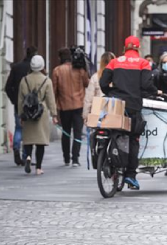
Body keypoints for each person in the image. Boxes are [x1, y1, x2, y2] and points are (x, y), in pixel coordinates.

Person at [100, 35, 159, 190]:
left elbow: (103, 83)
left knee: (114, 131)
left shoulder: (114, 62)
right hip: (133, 106)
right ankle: (130, 175)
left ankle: (109, 162)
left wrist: (112, 92)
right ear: (138, 48)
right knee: (133, 139)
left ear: (125, 48)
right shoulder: (143, 63)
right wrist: (156, 92)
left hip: (116, 105)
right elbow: (146, 84)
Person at [18, 55, 58, 175]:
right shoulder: (47, 80)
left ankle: (28, 156)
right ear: (42, 66)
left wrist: (21, 115)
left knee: (28, 139)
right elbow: (51, 99)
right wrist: (54, 114)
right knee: (40, 141)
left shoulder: (24, 80)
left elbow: (20, 99)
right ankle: (39, 168)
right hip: (41, 113)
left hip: (28, 112)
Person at [52, 47, 90, 167]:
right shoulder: (79, 70)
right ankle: (75, 159)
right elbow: (87, 83)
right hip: (79, 105)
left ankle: (66, 158)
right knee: (78, 132)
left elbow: (54, 90)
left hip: (64, 106)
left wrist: (54, 109)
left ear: (60, 58)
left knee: (66, 132)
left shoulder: (57, 71)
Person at [5, 46, 38, 166]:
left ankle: (16, 150)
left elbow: (8, 87)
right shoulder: (35, 70)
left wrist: (14, 100)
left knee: (18, 128)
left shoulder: (16, 67)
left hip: (18, 105)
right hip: (33, 106)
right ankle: (26, 156)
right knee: (30, 131)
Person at [83, 52, 116, 120]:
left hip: (97, 113)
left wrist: (85, 115)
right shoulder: (117, 77)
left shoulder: (95, 77)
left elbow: (89, 98)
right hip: (114, 113)